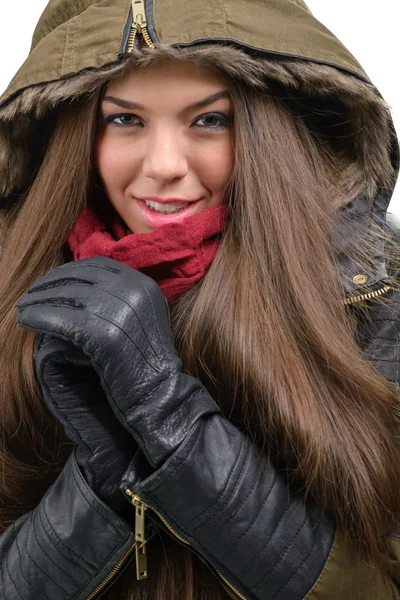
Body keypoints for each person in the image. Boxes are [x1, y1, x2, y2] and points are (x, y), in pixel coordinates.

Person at [0, 0, 399, 598]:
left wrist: (174, 425)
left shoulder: (372, 289)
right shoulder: (14, 284)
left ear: (268, 126)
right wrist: (100, 481)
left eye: (209, 121)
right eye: (125, 120)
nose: (163, 166)